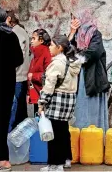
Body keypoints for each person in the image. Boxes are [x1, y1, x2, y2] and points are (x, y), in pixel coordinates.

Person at [38, 35, 82, 171]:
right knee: (63, 131)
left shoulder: (57, 63)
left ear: (59, 47)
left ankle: (55, 165)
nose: (49, 47)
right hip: (69, 100)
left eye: (51, 45)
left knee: (53, 134)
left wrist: (42, 103)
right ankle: (66, 160)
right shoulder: (72, 62)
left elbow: (49, 85)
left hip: (57, 100)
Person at [68, 8, 110, 131]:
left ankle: (93, 137)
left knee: (91, 107)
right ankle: (80, 137)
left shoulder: (95, 33)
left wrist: (75, 59)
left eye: (75, 18)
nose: (73, 21)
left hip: (92, 76)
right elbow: (66, 50)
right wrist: (71, 33)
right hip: (78, 76)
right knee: (79, 107)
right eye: (72, 18)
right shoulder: (75, 34)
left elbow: (93, 53)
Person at [0, 7, 24, 171]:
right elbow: (19, 59)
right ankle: (3, 159)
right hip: (7, 82)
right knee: (3, 119)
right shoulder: (11, 35)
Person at [5, 10, 31, 132]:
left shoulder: (15, 32)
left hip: (17, 77)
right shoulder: (19, 31)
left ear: (9, 19)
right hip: (19, 77)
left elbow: (16, 57)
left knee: (13, 112)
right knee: (19, 112)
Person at [27, 29, 52, 116]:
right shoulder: (36, 53)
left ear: (41, 40)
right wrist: (29, 94)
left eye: (34, 39)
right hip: (36, 93)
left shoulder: (46, 53)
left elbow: (49, 76)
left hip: (44, 96)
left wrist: (33, 76)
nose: (31, 41)